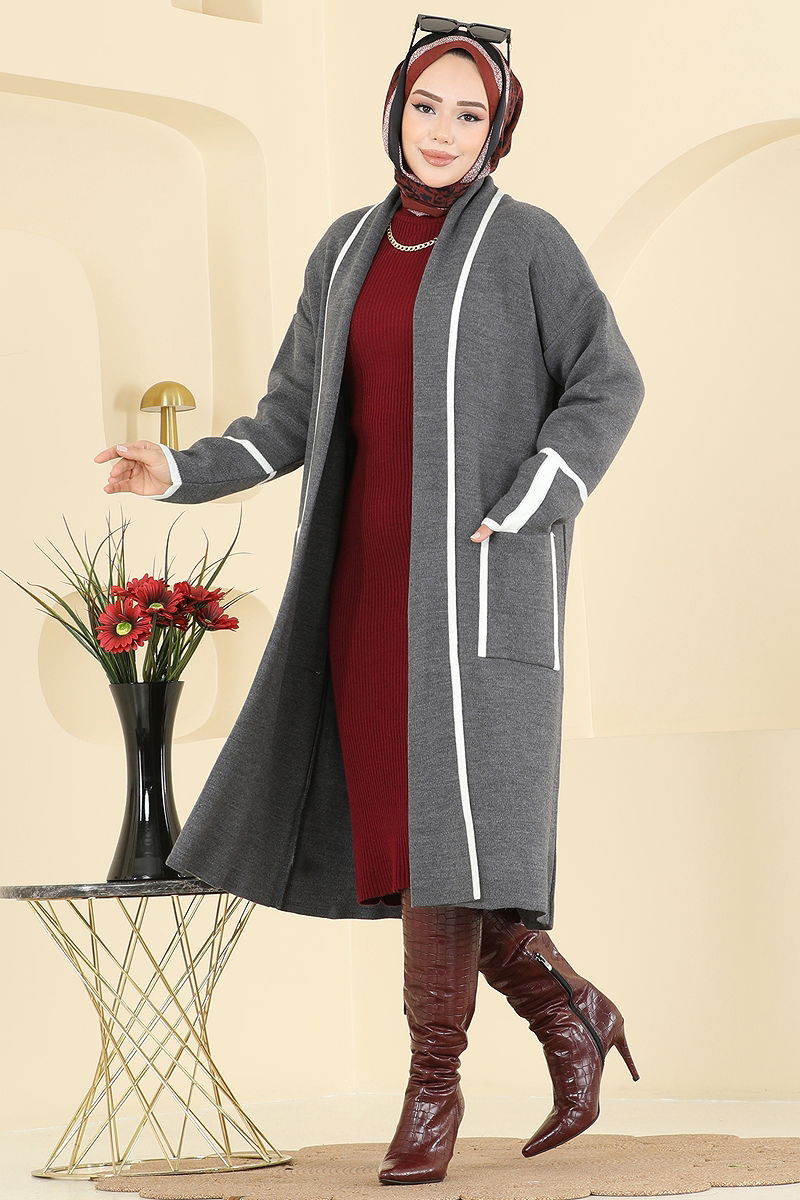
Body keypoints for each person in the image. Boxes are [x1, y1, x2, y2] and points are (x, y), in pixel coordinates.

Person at [94, 16, 645, 1186]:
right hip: (360, 591)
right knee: (409, 839)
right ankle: (567, 1010)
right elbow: (287, 419)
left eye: (467, 113)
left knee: (449, 843)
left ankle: (432, 1089)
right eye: (424, 106)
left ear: (497, 129)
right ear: (393, 109)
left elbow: (607, 382)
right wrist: (177, 471)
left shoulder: (526, 243)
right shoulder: (344, 249)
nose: (441, 131)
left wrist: (531, 496)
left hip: (475, 595)